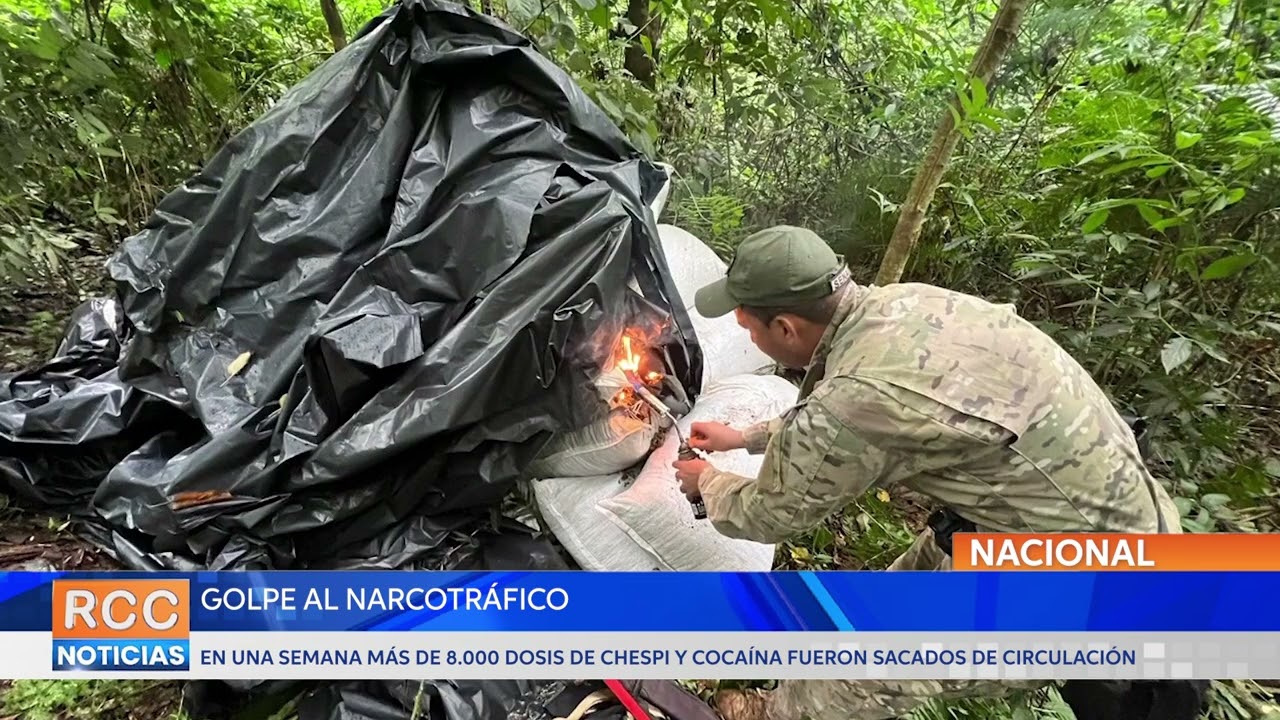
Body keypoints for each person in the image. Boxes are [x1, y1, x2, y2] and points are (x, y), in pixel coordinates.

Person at [669, 225, 1183, 720]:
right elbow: (847, 413)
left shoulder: (859, 396)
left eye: (747, 325)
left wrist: (706, 481)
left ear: (785, 328)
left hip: (1088, 574)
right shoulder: (904, 306)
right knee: (887, 603)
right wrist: (745, 437)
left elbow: (770, 514)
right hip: (1067, 517)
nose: (745, 334)